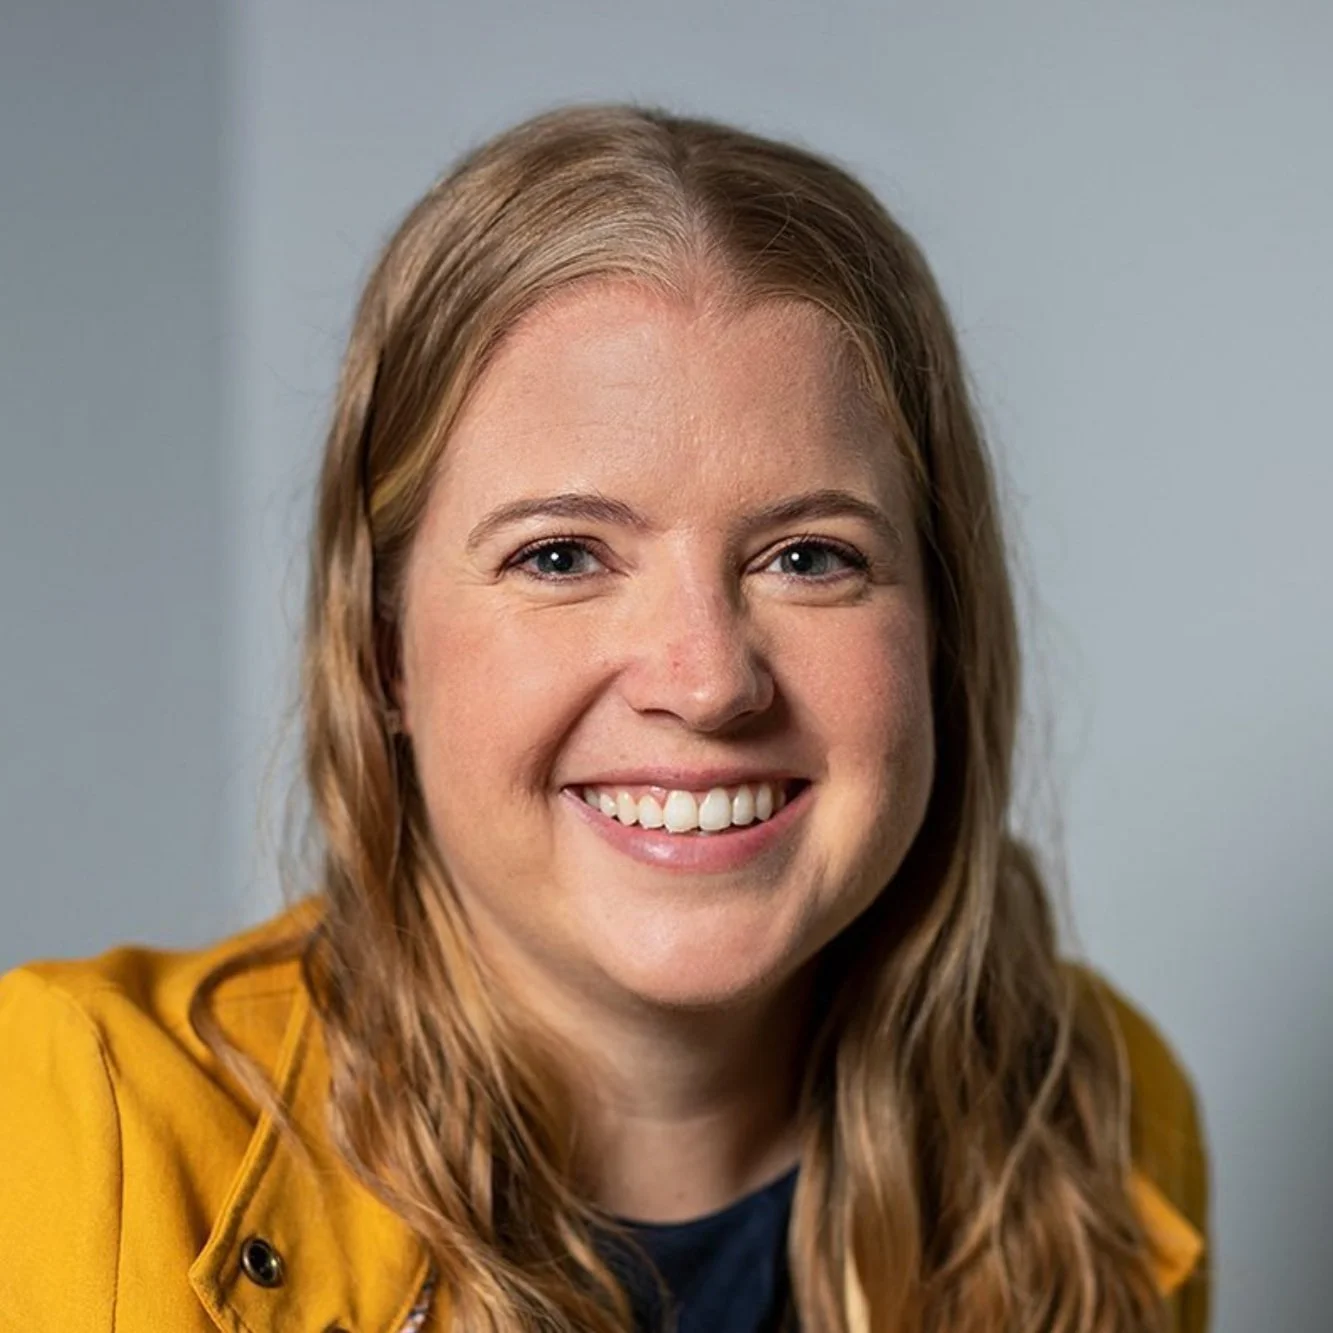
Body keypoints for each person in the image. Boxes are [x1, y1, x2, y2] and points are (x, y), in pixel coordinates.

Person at [0, 104, 1208, 1333]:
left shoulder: (1104, 1120)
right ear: (382, 655)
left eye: (807, 556)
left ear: (941, 629)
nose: (704, 680)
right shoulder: (81, 1124)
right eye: (564, 554)